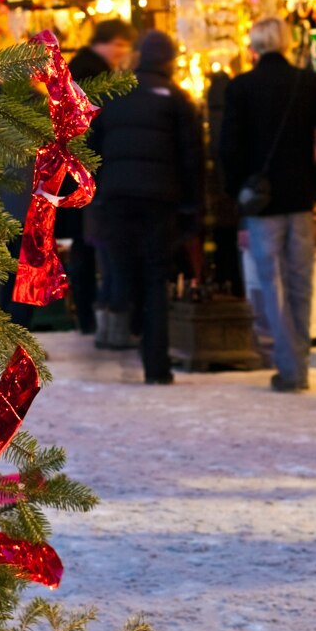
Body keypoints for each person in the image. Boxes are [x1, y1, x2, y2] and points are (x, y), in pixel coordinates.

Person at [219, 17, 316, 393]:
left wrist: (238, 191)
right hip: (300, 199)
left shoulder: (241, 87)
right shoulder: (308, 83)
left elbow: (229, 148)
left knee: (271, 285)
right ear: (287, 43)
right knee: (301, 282)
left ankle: (289, 367)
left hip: (261, 204)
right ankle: (299, 365)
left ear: (254, 45)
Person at [87, 31, 204, 384]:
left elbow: (95, 149)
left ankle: (131, 324)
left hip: (118, 198)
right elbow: (192, 158)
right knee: (155, 276)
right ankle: (157, 365)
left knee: (126, 271)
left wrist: (100, 194)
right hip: (160, 201)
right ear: (169, 60)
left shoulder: (116, 95)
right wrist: (192, 207)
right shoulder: (178, 99)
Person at [64, 20, 135, 342]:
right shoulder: (93, 72)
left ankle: (88, 315)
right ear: (106, 43)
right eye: (120, 45)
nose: (122, 53)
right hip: (89, 168)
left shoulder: (79, 66)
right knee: (90, 242)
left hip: (77, 166)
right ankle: (93, 314)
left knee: (85, 242)